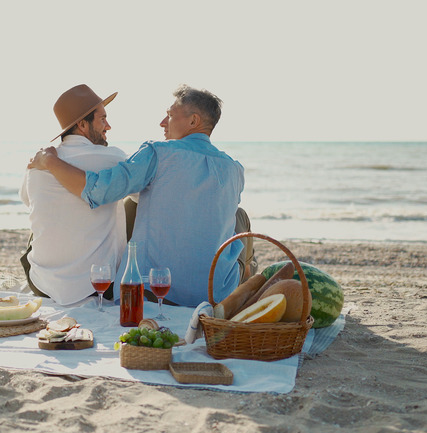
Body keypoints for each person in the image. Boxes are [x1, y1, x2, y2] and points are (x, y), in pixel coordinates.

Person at [28, 84, 252, 307]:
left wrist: (50, 161)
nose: (162, 123)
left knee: (131, 204)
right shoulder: (235, 169)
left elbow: (99, 190)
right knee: (239, 217)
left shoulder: (157, 153)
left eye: (169, 116)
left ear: (193, 121)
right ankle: (249, 275)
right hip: (216, 293)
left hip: (154, 290)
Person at [19, 84, 129, 305]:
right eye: (102, 119)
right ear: (82, 124)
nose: (108, 125)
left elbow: (26, 200)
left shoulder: (37, 163)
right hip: (95, 285)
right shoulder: (112, 158)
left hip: (40, 283)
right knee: (134, 201)